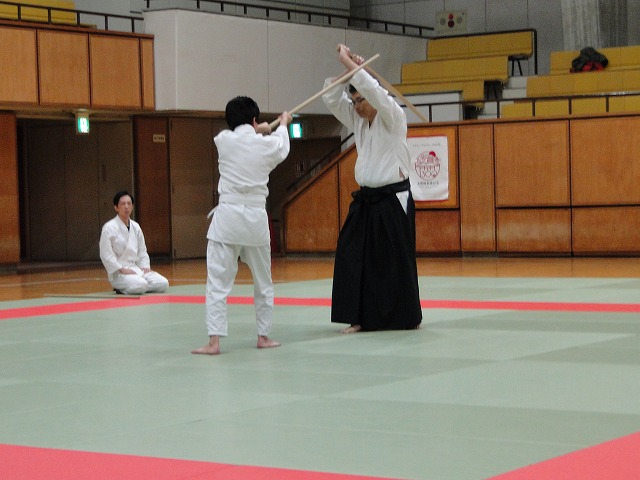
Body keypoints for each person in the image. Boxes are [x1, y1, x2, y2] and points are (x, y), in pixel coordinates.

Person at [322, 44, 422, 333]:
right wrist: (347, 70)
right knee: (351, 255)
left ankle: (403, 317)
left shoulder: (393, 116)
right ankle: (359, 317)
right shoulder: (357, 120)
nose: (357, 106)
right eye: (354, 101)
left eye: (361, 100)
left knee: (392, 262)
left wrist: (353, 66)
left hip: (392, 200)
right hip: (366, 199)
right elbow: (331, 97)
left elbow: (375, 92)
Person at [192, 96, 292, 355]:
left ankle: (214, 342)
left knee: (217, 282)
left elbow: (243, 137)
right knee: (263, 282)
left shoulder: (223, 140)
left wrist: (259, 129)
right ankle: (263, 336)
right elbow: (282, 146)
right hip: (255, 221)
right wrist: (283, 124)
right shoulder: (268, 145)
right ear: (254, 119)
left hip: (228, 219)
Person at [99, 190, 169, 295]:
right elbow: (105, 254)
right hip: (119, 272)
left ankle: (136, 286)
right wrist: (121, 269)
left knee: (163, 283)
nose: (126, 207)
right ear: (116, 207)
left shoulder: (136, 227)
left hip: (136, 269)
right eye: (123, 204)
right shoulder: (109, 227)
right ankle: (121, 288)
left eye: (129, 204)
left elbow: (142, 250)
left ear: (132, 206)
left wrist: (145, 267)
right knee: (141, 284)